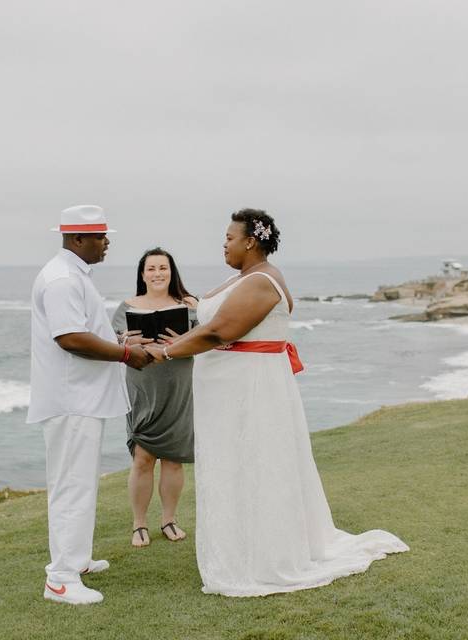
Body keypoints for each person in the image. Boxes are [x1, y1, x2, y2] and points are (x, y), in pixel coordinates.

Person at [146, 209, 409, 597]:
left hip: (250, 390)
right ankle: (244, 544)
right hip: (228, 392)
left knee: (256, 465)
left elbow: (220, 330)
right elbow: (209, 315)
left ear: (251, 241)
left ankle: (265, 556)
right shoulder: (242, 279)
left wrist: (165, 354)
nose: (224, 244)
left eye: (229, 238)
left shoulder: (262, 282)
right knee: (234, 466)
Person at [26, 205, 152, 606]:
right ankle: (60, 579)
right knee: (72, 486)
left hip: (81, 398)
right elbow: (72, 339)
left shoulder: (73, 274)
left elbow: (86, 330)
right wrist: (125, 355)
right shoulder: (63, 279)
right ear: (78, 240)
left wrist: (121, 344)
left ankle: (75, 560)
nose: (107, 242)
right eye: (100, 236)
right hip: (71, 399)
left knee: (78, 483)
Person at [111, 248, 197, 547]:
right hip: (142, 387)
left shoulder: (188, 306)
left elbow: (208, 340)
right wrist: (126, 342)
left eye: (163, 267)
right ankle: (139, 524)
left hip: (179, 388)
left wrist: (182, 342)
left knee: (174, 460)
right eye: (151, 268)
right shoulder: (126, 307)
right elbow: (113, 344)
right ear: (142, 274)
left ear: (171, 272)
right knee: (142, 458)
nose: (158, 273)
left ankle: (169, 519)